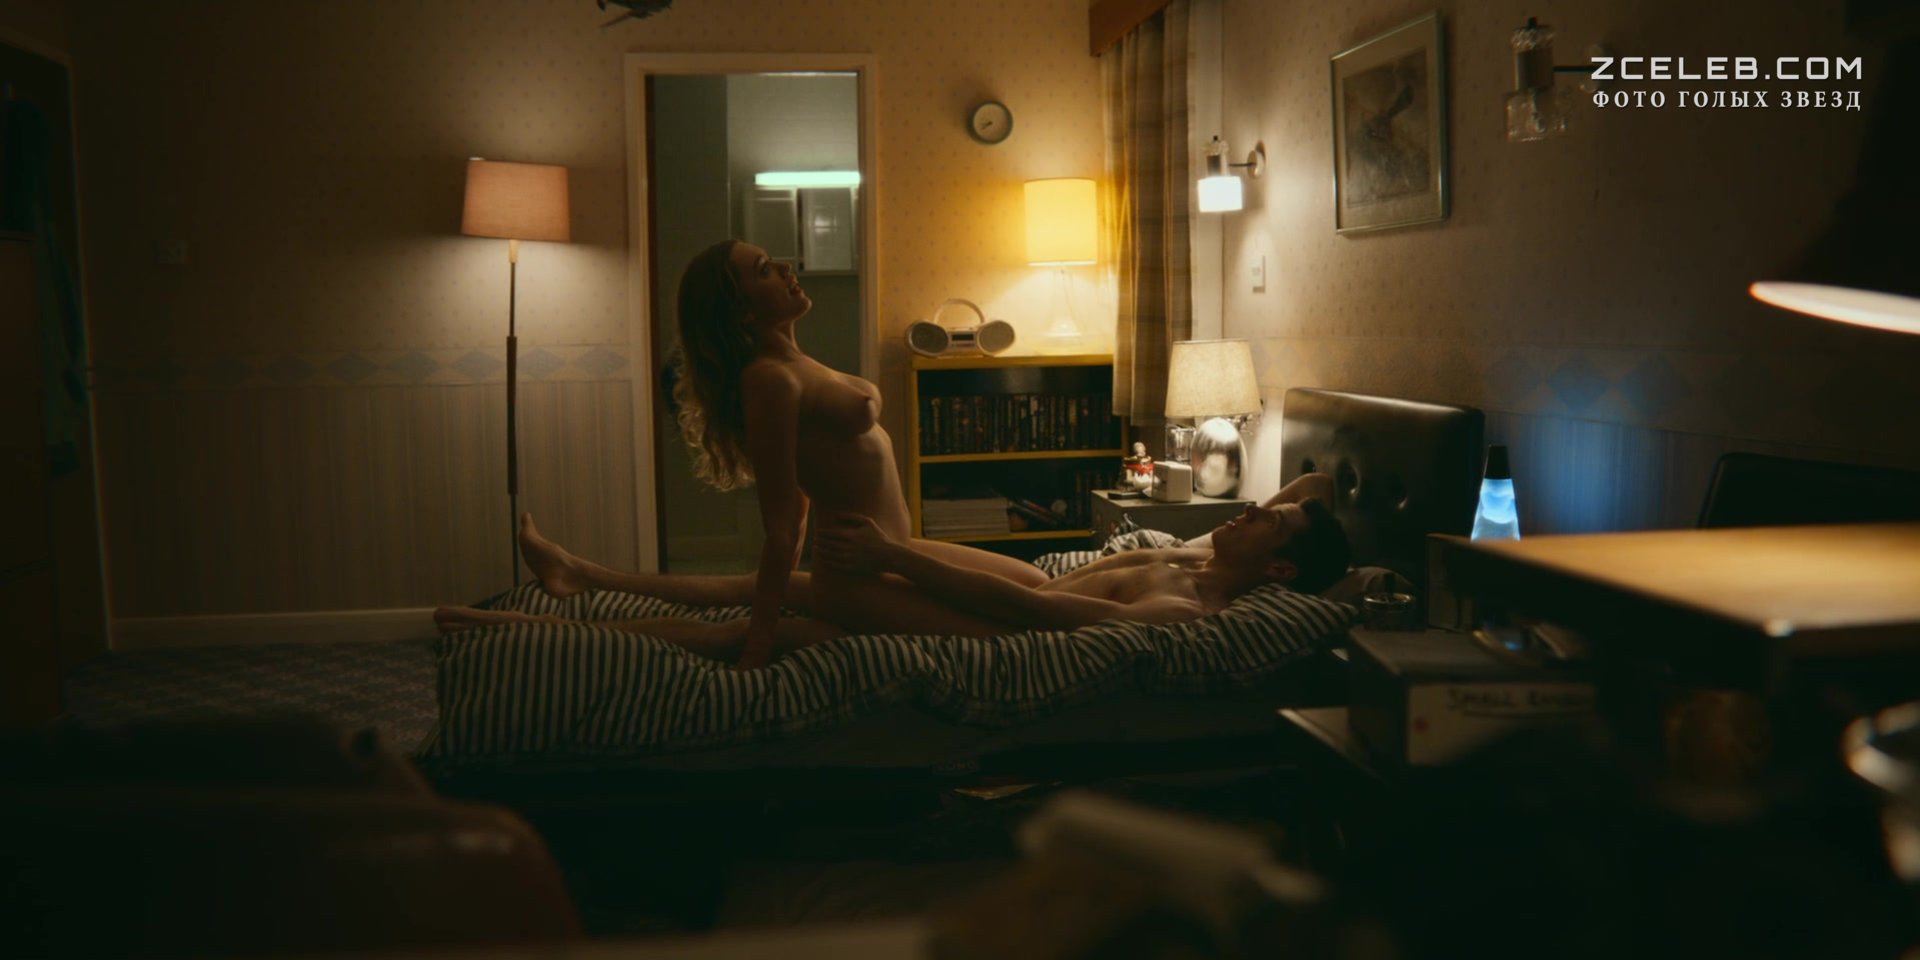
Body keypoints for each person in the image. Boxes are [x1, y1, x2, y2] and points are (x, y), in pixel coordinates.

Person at [434, 473, 1347, 653]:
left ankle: (540, 618)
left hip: (998, 629)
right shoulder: (1199, 549)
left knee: (784, 609)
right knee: (779, 591)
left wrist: (893, 553)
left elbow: (1036, 619)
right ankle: (583, 579)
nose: (1246, 513)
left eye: (1267, 523)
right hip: (1028, 582)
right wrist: (1328, 498)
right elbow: (1308, 483)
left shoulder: (1187, 611)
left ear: (1278, 575)